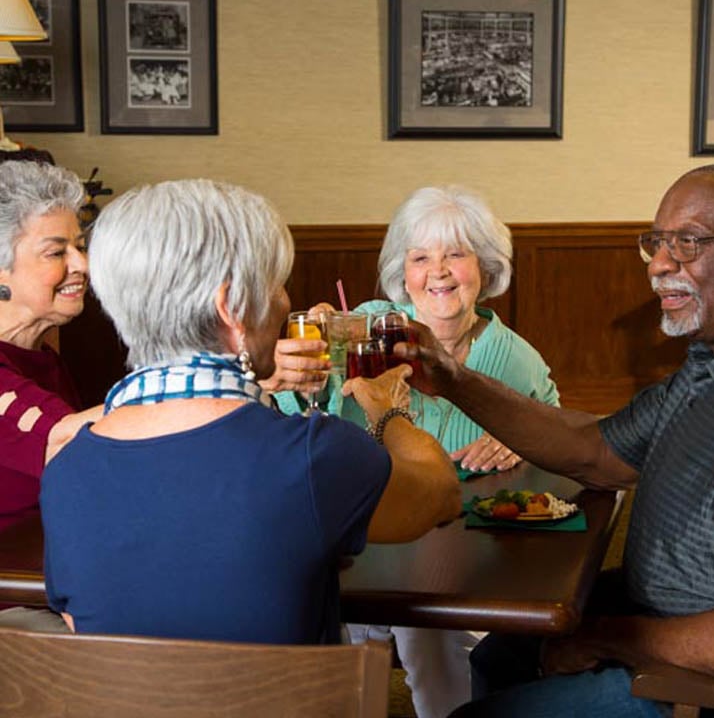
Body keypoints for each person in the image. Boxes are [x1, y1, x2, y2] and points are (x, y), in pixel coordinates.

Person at [393, 164, 714, 717]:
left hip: (704, 688)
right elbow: (598, 451)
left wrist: (608, 638)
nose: (659, 265)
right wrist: (452, 378)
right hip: (661, 620)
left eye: (688, 243)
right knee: (495, 658)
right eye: (656, 243)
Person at [39, 178, 461, 645]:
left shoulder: (66, 471)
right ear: (232, 307)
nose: (284, 302)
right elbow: (442, 493)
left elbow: (86, 625)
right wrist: (387, 411)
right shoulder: (311, 457)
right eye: (276, 285)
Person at [278, 185, 559, 718]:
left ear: (485, 266)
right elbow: (297, 413)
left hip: (457, 551)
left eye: (456, 254)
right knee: (329, 627)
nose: (439, 272)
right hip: (364, 538)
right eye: (420, 258)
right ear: (402, 271)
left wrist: (516, 436)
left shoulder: (514, 357)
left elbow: (556, 432)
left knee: (433, 628)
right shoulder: (364, 330)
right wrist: (296, 370)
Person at [0, 161, 101, 534]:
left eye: (80, 248)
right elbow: (75, 441)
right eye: (57, 253)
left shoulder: (42, 357)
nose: (82, 265)